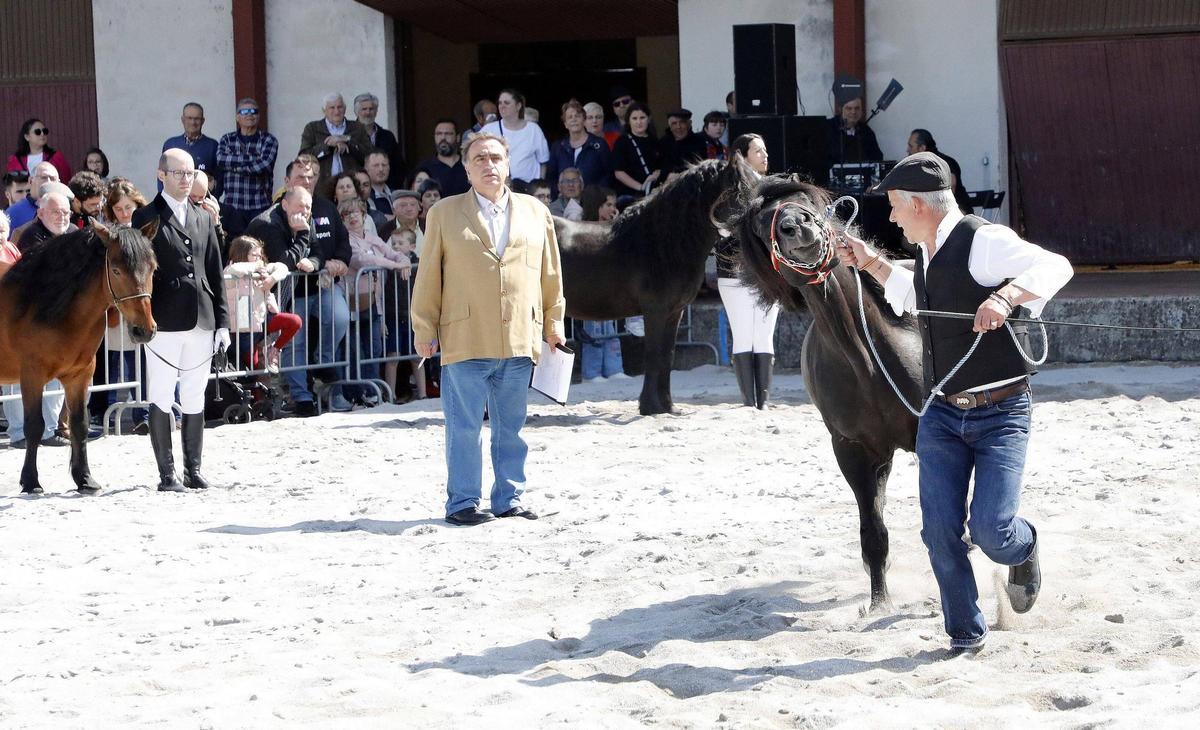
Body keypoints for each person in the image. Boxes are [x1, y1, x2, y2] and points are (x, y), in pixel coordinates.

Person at [835, 151, 1073, 653]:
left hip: (1002, 411)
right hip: (942, 412)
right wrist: (870, 261)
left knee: (992, 530)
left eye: (896, 207)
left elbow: (1056, 265)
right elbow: (918, 293)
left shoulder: (983, 240)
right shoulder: (925, 250)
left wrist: (1006, 298)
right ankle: (965, 635)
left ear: (919, 205)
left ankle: (1024, 548)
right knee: (939, 532)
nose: (892, 217)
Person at [411, 132, 566, 526]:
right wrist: (423, 327)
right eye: (479, 158)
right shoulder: (443, 214)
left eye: (496, 157)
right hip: (464, 336)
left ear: (509, 163)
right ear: (466, 167)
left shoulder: (535, 211)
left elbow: (551, 274)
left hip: (519, 335)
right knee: (463, 428)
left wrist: (554, 324)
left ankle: (509, 498)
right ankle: (463, 502)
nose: (488, 164)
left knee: (511, 428)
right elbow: (428, 277)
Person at [133, 148, 229, 492]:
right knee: (160, 393)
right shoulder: (146, 215)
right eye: (179, 173)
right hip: (164, 318)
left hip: (201, 318)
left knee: (194, 394)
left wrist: (222, 323)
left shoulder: (203, 216)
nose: (186, 180)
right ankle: (167, 473)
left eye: (190, 173)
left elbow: (214, 272)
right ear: (162, 174)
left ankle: (194, 468)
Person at [718, 134, 780, 409]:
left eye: (766, 150)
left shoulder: (772, 186)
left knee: (764, 334)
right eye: (758, 151)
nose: (765, 155)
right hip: (735, 269)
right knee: (744, 333)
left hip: (767, 269)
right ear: (743, 155)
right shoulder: (730, 188)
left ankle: (762, 401)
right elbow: (721, 227)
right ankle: (749, 400)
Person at [0, 209, 70, 450]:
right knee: (13, 377)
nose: (1, 235)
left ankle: (49, 428)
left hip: (26, 320)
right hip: (6, 324)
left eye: (2, 230)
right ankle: (18, 431)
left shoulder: (11, 249)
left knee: (47, 372)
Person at [340, 197, 411, 405]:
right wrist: (394, 265)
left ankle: (372, 390)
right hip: (351, 301)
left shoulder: (372, 237)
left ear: (364, 216)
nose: (352, 217)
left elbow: (391, 252)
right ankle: (356, 392)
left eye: (356, 213)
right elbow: (363, 260)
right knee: (354, 350)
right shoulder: (346, 240)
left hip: (372, 302)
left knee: (374, 347)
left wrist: (404, 260)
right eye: (347, 214)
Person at [222, 235, 299, 373]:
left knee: (294, 321)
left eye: (259, 255)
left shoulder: (261, 269)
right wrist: (257, 267)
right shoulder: (231, 270)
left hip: (262, 322)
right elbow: (235, 270)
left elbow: (282, 267)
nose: (259, 258)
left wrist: (272, 278)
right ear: (242, 253)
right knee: (253, 369)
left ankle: (274, 350)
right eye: (254, 255)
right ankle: (255, 392)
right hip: (243, 329)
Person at [578, 185, 626, 383]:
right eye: (608, 205)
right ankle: (592, 372)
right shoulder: (584, 228)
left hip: (610, 285)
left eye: (614, 205)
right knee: (594, 330)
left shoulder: (614, 227)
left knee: (611, 328)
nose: (612, 209)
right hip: (591, 286)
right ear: (597, 206)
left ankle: (615, 368)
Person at [216, 97, 279, 238]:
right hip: (233, 207)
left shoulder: (269, 140)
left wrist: (233, 166)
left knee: (259, 247)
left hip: (260, 207)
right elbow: (221, 160)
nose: (250, 115)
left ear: (259, 116)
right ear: (237, 117)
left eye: (253, 111)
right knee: (233, 246)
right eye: (245, 111)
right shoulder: (227, 139)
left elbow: (263, 166)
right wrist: (252, 160)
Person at [480, 88, 550, 185]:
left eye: (506, 103)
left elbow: (543, 162)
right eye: (500, 103)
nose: (502, 106)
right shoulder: (488, 130)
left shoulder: (534, 129)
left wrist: (539, 185)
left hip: (528, 189)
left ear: (518, 106)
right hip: (499, 187)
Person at [299, 93, 372, 182]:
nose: (337, 111)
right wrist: (328, 145)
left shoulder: (358, 128)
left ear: (345, 109)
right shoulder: (312, 128)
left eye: (340, 107)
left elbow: (369, 155)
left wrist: (347, 140)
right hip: (322, 186)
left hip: (352, 185)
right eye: (332, 108)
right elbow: (303, 157)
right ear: (324, 110)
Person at [547, 101, 612, 193]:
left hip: (593, 201)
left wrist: (596, 195)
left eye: (577, 116)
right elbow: (551, 178)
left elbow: (608, 175)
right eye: (570, 117)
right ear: (565, 124)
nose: (574, 119)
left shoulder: (600, 144)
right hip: (564, 202)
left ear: (584, 120)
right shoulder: (557, 147)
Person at [907, 128, 973, 215]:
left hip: (958, 213)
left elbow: (950, 187)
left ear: (922, 148)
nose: (908, 150)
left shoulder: (943, 163)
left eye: (911, 146)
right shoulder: (918, 165)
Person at [161, 103, 219, 194]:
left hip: (202, 202)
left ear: (203, 121)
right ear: (182, 120)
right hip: (175, 201)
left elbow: (219, 179)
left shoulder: (213, 146)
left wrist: (212, 198)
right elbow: (162, 175)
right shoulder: (170, 144)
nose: (193, 122)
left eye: (197, 119)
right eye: (189, 118)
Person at [612, 102, 662, 202]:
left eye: (642, 118)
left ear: (649, 119)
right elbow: (619, 173)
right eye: (634, 118)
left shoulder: (655, 141)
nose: (639, 122)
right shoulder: (622, 142)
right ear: (628, 121)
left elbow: (660, 166)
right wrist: (641, 187)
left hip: (653, 195)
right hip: (630, 196)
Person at [353, 92, 405, 188]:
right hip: (358, 189)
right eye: (364, 109)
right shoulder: (350, 136)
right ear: (356, 112)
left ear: (376, 111)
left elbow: (398, 167)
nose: (368, 112)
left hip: (386, 190)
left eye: (371, 109)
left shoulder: (388, 137)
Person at [415, 118, 470, 197]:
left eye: (448, 134)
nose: (443, 138)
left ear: (458, 137)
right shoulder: (425, 168)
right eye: (439, 134)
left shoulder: (469, 164)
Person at [7, 118, 72, 180]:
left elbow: (66, 180)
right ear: (27, 137)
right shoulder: (15, 160)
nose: (42, 134)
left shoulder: (56, 157)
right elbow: (11, 184)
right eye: (37, 132)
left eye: (45, 131)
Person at [826, 96, 883, 166]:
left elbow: (877, 158)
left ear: (861, 110)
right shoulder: (827, 128)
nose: (853, 112)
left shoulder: (866, 131)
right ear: (841, 109)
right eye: (849, 108)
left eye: (857, 108)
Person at [17, 184, 73, 252]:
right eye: (56, 212)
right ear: (41, 214)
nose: (62, 217)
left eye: (66, 213)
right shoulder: (31, 236)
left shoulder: (74, 231)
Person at [5, 162, 60, 229]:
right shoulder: (12, 213)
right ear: (31, 180)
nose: (48, 182)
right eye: (44, 177)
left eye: (52, 178)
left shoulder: (65, 210)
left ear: (59, 182)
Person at [658, 108, 704, 179]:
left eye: (682, 122)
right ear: (669, 126)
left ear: (689, 123)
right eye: (674, 123)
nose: (678, 127)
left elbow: (701, 167)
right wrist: (665, 175)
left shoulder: (698, 142)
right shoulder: (663, 142)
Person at [363, 150, 393, 216]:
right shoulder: (364, 196)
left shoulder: (395, 194)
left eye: (384, 165)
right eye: (376, 165)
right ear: (366, 169)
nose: (381, 169)